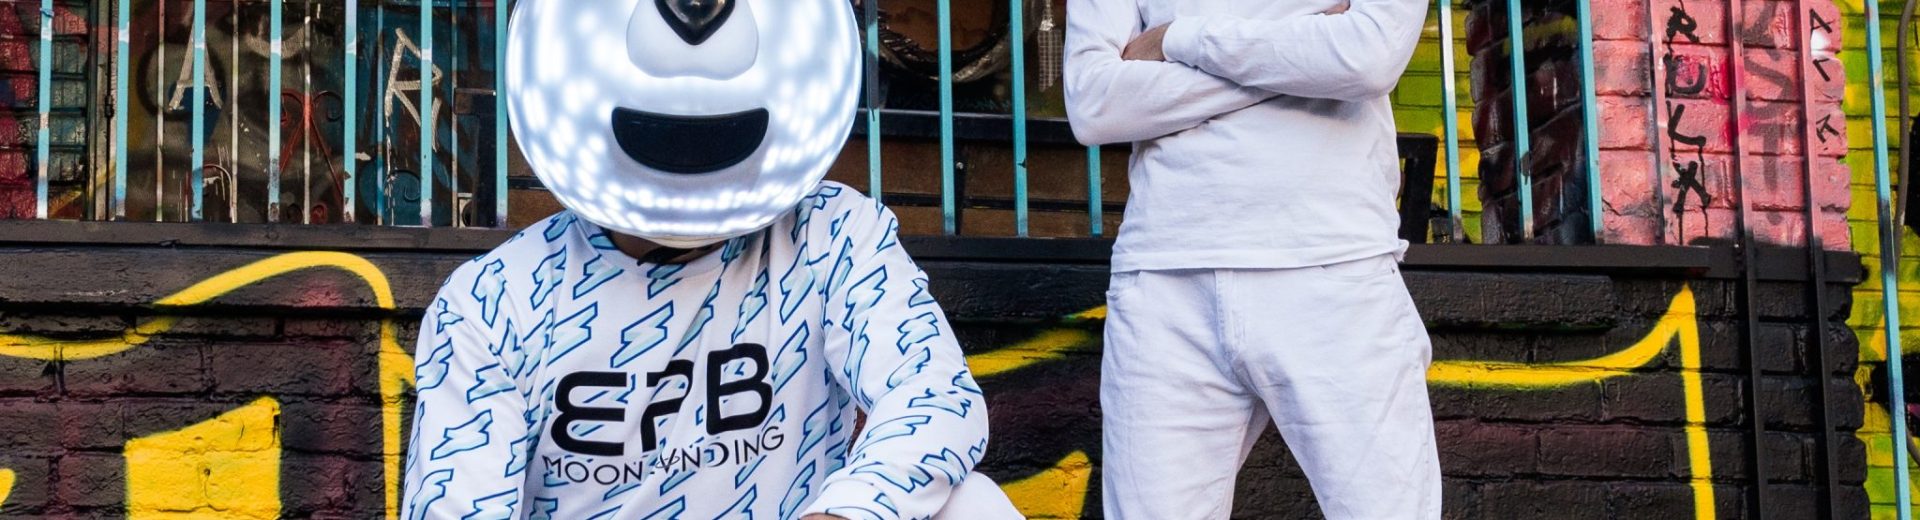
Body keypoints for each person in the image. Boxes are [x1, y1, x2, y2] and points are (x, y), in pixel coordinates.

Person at [401, 0, 1021, 518]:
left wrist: (848, 512)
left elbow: (935, 395)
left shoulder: (831, 234)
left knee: (972, 506)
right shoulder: (492, 300)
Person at [1062, 0, 1440, 518]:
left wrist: (1177, 40)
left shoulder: (1179, 40)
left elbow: (1369, 57)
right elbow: (1094, 104)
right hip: (1165, 275)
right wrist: (1301, 59)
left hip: (1334, 264)